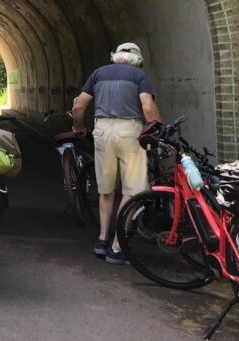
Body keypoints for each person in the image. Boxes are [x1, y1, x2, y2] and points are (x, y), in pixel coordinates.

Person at [71, 42, 161, 265]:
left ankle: (102, 240)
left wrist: (79, 126)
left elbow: (79, 105)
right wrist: (157, 130)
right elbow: (148, 107)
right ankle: (117, 247)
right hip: (129, 131)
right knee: (132, 189)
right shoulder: (139, 76)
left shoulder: (98, 74)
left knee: (106, 189)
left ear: (116, 56)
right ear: (137, 61)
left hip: (102, 130)